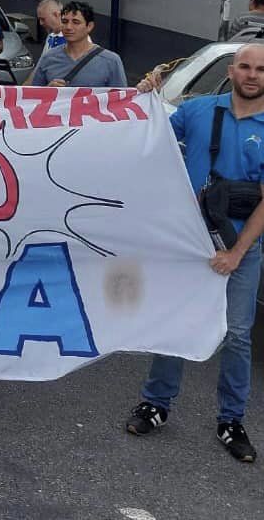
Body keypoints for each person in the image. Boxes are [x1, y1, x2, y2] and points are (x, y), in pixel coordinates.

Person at [126, 42, 264, 462]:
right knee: (177, 323)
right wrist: (144, 98)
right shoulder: (199, 110)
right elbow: (147, 133)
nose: (252, 75)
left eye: (260, 69)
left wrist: (237, 253)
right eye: (244, 66)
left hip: (241, 247)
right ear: (231, 71)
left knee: (237, 335)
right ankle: (156, 404)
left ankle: (231, 420)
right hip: (189, 241)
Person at [31, 1, 127, 88]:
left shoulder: (111, 61)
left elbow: (121, 98)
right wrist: (48, 90)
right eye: (65, 22)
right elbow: (34, 95)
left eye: (76, 22)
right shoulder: (49, 58)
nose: (68, 27)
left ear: (89, 26)